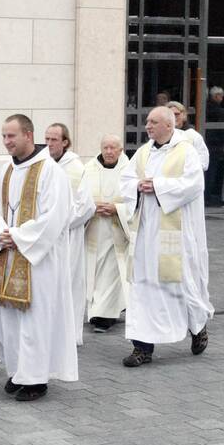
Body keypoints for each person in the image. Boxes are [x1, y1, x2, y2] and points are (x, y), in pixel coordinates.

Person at [0, 114, 78, 402]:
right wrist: (1, 232)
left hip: (40, 260)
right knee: (7, 319)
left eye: (11, 136)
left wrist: (19, 237)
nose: (6, 141)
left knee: (35, 319)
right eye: (3, 136)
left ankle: (36, 379)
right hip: (10, 254)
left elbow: (56, 216)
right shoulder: (6, 170)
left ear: (27, 134)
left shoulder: (50, 171)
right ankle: (17, 371)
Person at [119, 107, 213, 367]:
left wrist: (158, 186)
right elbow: (125, 178)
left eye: (153, 122)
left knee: (181, 284)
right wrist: (137, 186)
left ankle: (197, 326)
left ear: (169, 126)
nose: (147, 126)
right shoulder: (143, 152)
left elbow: (195, 185)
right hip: (146, 231)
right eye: (148, 122)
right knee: (142, 287)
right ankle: (142, 348)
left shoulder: (187, 151)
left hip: (175, 234)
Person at [44, 122, 95, 345]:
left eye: (54, 140)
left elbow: (86, 206)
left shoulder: (76, 168)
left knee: (69, 283)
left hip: (68, 236)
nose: (49, 144)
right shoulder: (43, 165)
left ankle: (69, 334)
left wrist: (58, 223)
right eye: (46, 139)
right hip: (45, 236)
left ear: (65, 142)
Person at [82, 135, 132, 333]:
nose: (109, 151)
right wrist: (91, 207)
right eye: (105, 147)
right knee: (93, 272)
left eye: (113, 148)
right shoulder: (88, 169)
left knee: (111, 273)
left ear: (121, 150)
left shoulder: (130, 170)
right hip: (94, 230)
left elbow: (135, 202)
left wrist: (117, 209)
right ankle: (97, 309)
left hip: (117, 231)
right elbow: (79, 197)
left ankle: (104, 316)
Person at [166, 100, 210, 171]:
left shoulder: (193, 136)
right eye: (170, 114)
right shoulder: (161, 135)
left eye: (177, 114)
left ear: (184, 115)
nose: (174, 117)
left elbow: (203, 162)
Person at [204, 86, 224, 206]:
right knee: (211, 172)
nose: (222, 98)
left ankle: (208, 196)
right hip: (214, 144)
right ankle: (208, 197)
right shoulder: (216, 110)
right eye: (221, 96)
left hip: (210, 142)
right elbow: (221, 128)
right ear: (216, 96)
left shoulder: (206, 107)